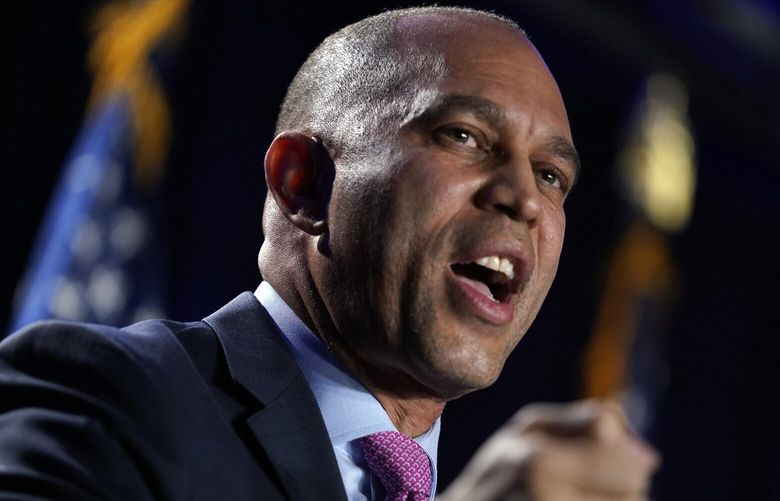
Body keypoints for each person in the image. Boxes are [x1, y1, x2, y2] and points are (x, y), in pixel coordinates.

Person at [0, 6, 658, 500]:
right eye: (463, 135)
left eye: (553, 176)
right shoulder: (109, 397)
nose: (525, 198)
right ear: (302, 183)